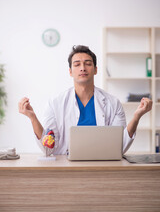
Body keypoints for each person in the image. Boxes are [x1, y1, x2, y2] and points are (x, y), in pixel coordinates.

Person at [18, 45, 152, 155]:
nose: (82, 67)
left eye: (88, 64)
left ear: (95, 70)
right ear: (70, 71)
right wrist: (33, 118)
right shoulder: (55, 103)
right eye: (77, 64)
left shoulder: (113, 103)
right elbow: (48, 148)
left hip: (102, 165)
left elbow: (119, 147)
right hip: (65, 166)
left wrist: (136, 117)